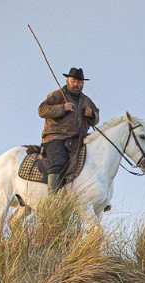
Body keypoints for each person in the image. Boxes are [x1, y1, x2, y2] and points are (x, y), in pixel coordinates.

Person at [36, 67, 99, 195]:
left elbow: (96, 118)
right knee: (59, 161)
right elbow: (42, 110)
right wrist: (62, 108)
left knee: (96, 157)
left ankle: (97, 193)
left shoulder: (86, 100)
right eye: (74, 81)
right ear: (67, 80)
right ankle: (52, 196)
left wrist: (92, 114)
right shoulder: (57, 95)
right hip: (56, 137)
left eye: (80, 82)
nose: (76, 84)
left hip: (80, 138)